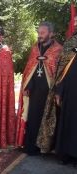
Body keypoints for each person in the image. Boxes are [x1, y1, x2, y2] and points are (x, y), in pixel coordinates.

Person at [16, 22, 63, 155]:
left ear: (51, 34)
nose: (39, 35)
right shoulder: (35, 48)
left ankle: (45, 147)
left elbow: (60, 72)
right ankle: (31, 146)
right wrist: (28, 86)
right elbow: (30, 68)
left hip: (49, 91)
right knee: (33, 117)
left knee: (47, 118)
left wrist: (57, 91)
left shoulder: (58, 49)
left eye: (42, 33)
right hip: (35, 89)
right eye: (38, 32)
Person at [54, 15, 77, 165]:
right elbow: (63, 68)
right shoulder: (71, 41)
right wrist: (59, 90)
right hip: (69, 91)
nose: (74, 22)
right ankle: (67, 154)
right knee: (68, 121)